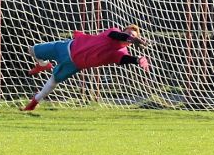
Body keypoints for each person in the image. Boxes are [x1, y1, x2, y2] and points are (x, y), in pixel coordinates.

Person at [23, 24, 151, 111]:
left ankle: (33, 103)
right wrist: (131, 38)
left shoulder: (121, 52)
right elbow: (117, 36)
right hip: (67, 47)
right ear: (123, 32)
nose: (131, 36)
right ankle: (43, 65)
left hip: (73, 65)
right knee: (32, 50)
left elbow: (125, 59)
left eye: (134, 35)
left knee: (52, 82)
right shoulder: (114, 32)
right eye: (129, 33)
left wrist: (138, 59)